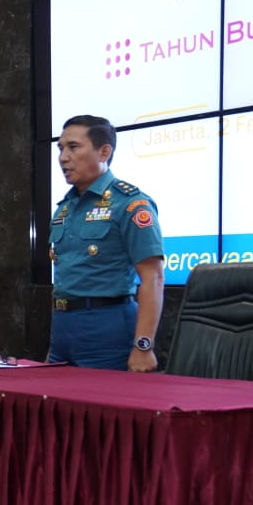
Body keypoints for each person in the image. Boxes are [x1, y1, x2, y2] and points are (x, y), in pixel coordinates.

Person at [48, 114, 165, 371]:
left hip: (107, 328)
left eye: (73, 147)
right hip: (62, 329)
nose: (63, 157)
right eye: (61, 148)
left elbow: (153, 278)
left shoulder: (130, 204)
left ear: (104, 152)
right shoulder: (64, 209)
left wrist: (143, 346)